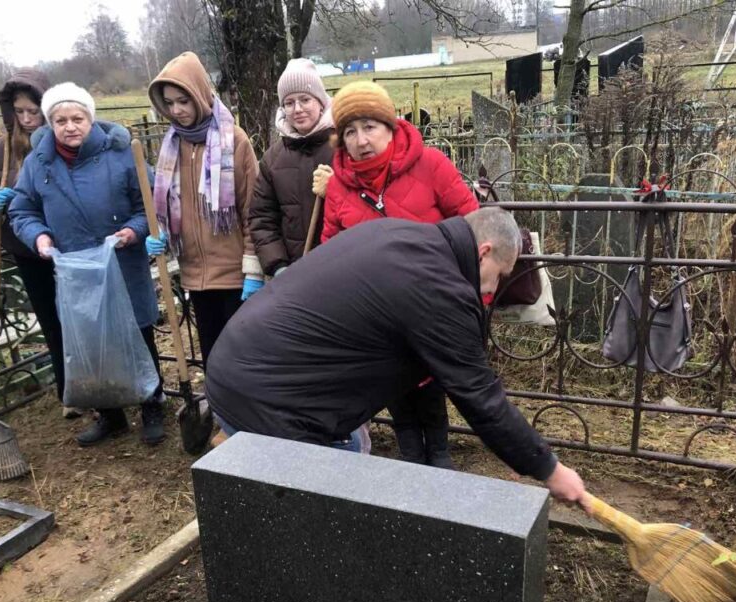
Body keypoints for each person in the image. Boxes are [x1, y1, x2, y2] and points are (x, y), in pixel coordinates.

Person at [205, 208, 587, 503]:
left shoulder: (402, 235)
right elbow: (480, 397)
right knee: (331, 515)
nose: (493, 289)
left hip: (236, 369)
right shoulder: (440, 288)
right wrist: (550, 470)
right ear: (484, 252)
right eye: (500, 275)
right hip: (269, 400)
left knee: (352, 450)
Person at [320, 81, 480, 470]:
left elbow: (471, 224)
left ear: (390, 127)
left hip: (430, 302)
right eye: (350, 132)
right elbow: (331, 249)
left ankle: (439, 453)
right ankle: (409, 455)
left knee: (432, 381)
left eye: (369, 127)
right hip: (374, 312)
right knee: (392, 385)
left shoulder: (431, 165)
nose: (361, 140)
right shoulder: (339, 186)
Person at [8, 82, 165, 447]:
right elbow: (22, 209)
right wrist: (39, 236)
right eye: (60, 120)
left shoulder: (121, 153)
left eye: (77, 118)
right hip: (75, 271)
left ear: (90, 119)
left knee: (137, 334)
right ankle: (110, 414)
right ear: (50, 124)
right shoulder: (38, 162)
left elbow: (150, 203)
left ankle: (152, 404)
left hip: (121, 262)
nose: (70, 127)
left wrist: (133, 230)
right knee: (92, 342)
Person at [0, 70, 77, 417]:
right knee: (53, 324)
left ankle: (102, 387)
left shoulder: (64, 142)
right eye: (20, 112)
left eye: (34, 111)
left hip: (72, 248)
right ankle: (70, 394)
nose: (27, 119)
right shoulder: (0, 152)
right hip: (29, 252)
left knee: (82, 319)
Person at [144, 52, 260, 369]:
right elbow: (171, 203)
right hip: (195, 275)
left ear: (199, 95)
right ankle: (219, 401)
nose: (176, 110)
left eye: (184, 101)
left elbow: (253, 210)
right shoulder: (172, 145)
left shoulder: (234, 141)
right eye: (169, 103)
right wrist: (162, 234)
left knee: (242, 358)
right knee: (213, 358)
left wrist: (253, 270)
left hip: (235, 276)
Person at [248, 58, 335, 278]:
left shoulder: (343, 147)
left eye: (305, 99)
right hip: (294, 274)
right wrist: (278, 266)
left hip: (340, 269)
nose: (297, 109)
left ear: (321, 102)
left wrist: (336, 189)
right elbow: (262, 219)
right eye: (289, 103)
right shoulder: (273, 159)